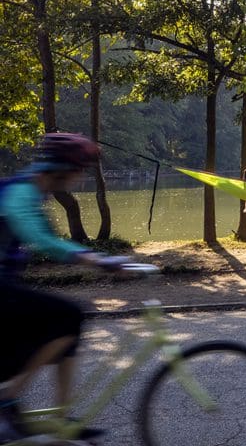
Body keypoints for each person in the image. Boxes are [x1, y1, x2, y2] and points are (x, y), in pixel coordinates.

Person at [0, 133, 127, 442]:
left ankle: (61, 419)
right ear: (61, 168)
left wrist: (92, 257)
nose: (81, 175)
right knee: (70, 315)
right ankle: (7, 402)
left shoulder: (35, 190)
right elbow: (42, 239)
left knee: (68, 329)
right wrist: (97, 260)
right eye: (78, 168)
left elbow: (51, 238)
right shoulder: (20, 193)